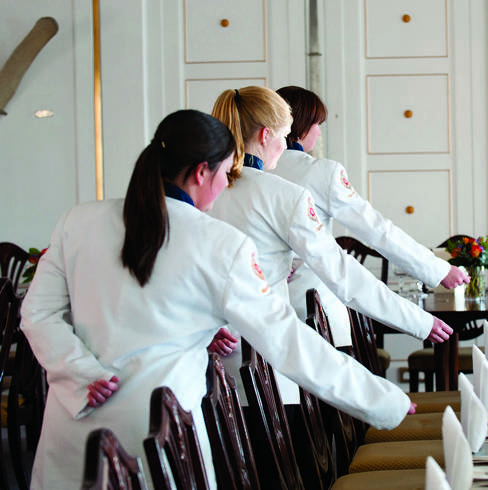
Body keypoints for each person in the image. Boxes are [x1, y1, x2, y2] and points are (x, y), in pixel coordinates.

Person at [20, 110, 414, 489]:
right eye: (226, 172)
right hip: (160, 436)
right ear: (201, 172)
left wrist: (80, 373)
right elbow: (290, 343)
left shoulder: (78, 220)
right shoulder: (220, 244)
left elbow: (38, 315)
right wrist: (385, 400)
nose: (228, 184)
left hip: (74, 429)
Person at [207, 86, 452, 403]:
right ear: (266, 135)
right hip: (269, 360)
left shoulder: (203, 188)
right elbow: (344, 273)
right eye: (283, 136)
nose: (285, 147)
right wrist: (418, 321)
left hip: (211, 361)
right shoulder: (282, 194)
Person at [271, 85, 469, 340]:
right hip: (313, 313)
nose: (319, 132)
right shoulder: (320, 172)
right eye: (317, 124)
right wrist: (438, 270)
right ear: (300, 125)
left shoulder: (244, 173)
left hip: (261, 313)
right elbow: (378, 231)